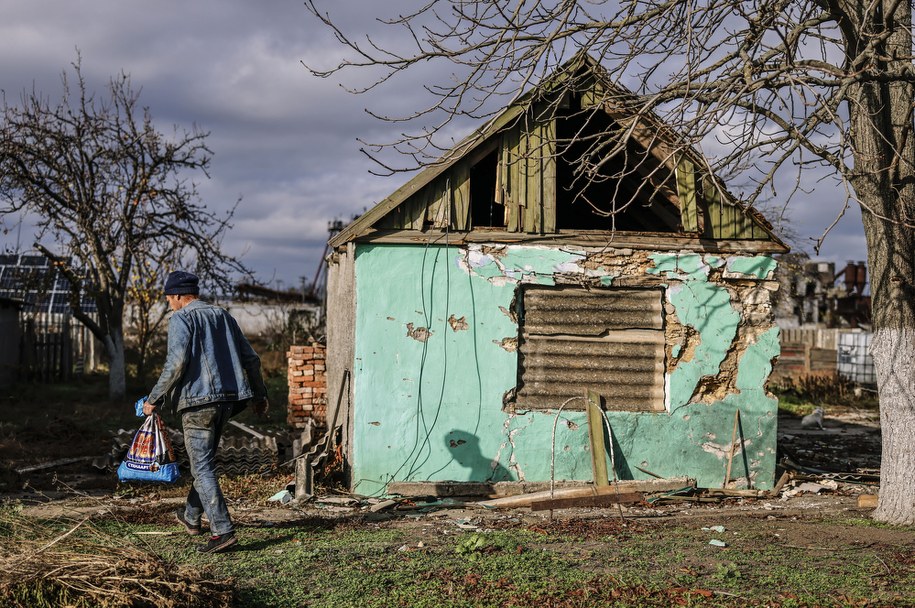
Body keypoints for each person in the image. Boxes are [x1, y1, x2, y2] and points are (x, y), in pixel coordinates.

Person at [143, 270, 268, 554]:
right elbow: (251, 359)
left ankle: (223, 531)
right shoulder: (222, 315)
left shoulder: (181, 318)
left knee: (202, 467)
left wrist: (154, 399)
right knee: (205, 463)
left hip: (198, 404)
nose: (169, 305)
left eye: (168, 300)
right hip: (227, 402)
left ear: (176, 296)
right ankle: (190, 517)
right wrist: (260, 396)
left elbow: (176, 363)